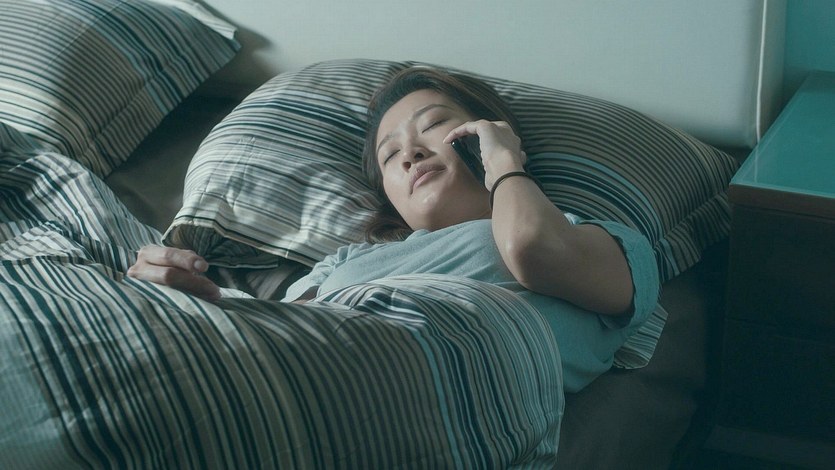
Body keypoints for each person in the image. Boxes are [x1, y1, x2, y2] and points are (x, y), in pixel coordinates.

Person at [128, 67, 659, 392]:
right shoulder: (346, 262)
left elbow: (532, 248)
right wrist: (184, 299)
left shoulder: (602, 240)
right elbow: (279, 330)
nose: (410, 153)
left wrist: (504, 161)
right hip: (299, 374)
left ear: (488, 133)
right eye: (389, 155)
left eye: (434, 125)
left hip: (412, 392)